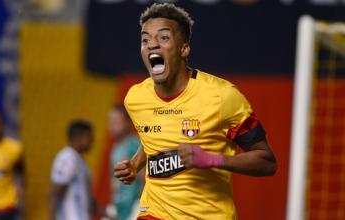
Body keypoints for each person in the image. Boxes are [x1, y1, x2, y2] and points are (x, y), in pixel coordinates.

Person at [113, 3, 278, 219]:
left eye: (163, 38)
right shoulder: (135, 98)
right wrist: (135, 165)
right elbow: (152, 137)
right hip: (155, 212)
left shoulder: (222, 97)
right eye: (145, 40)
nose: (152, 45)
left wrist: (212, 160)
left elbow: (267, 162)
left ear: (184, 49)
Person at [49, 120, 98, 220]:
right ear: (79, 137)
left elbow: (88, 198)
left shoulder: (80, 160)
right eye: (89, 136)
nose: (92, 140)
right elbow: (55, 192)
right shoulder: (67, 157)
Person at [108, 105, 143, 220]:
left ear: (128, 122)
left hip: (134, 206)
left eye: (117, 120)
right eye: (111, 121)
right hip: (120, 207)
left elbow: (145, 175)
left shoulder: (134, 144)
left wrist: (140, 204)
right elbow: (113, 181)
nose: (113, 124)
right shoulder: (115, 148)